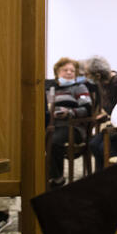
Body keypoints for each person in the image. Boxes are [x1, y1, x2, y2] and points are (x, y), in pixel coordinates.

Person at [46, 57, 93, 187]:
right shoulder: (51, 89)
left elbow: (87, 109)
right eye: (65, 70)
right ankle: (47, 177)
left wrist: (69, 112)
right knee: (40, 139)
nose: (68, 72)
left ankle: (57, 179)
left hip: (73, 128)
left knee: (53, 141)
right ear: (57, 72)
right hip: (52, 125)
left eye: (72, 70)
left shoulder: (79, 87)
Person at [84, 55, 117, 170]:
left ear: (97, 75)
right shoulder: (102, 82)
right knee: (94, 144)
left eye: (88, 74)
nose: (86, 77)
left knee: (104, 147)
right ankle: (100, 177)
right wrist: (105, 115)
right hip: (113, 125)